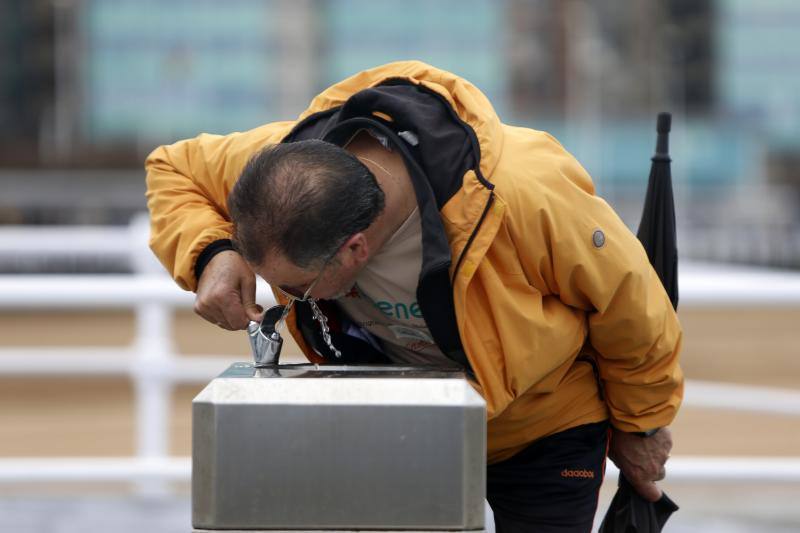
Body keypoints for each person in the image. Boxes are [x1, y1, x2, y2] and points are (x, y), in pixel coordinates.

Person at [145, 61, 682, 532]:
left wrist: (641, 427)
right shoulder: (287, 168)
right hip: (396, 420)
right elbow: (172, 167)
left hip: (543, 425)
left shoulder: (523, 194)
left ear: (356, 250)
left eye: (295, 287)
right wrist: (215, 252)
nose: (281, 299)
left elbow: (631, 308)